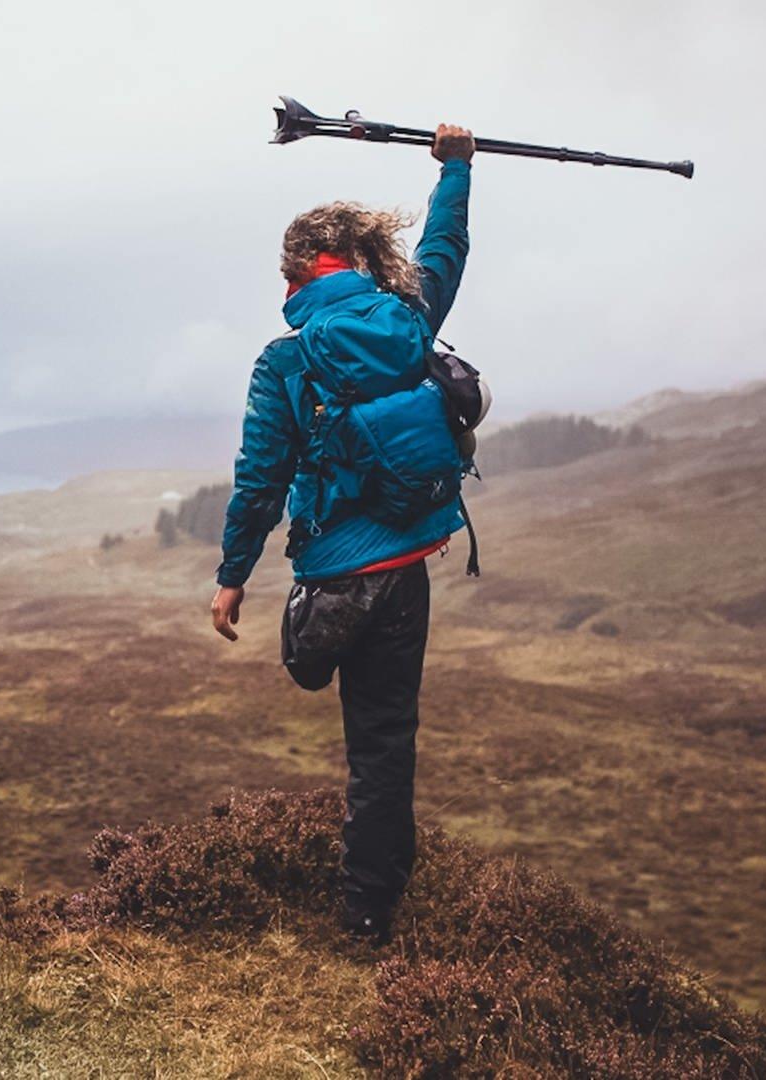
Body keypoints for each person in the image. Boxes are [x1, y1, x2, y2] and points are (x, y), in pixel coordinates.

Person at [209, 123, 475, 942]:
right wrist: (455, 169)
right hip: (410, 564)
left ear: (300, 270)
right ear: (355, 263)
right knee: (385, 741)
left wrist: (232, 573)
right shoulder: (409, 317)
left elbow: (259, 479)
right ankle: (371, 910)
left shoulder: (283, 362)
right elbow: (445, 246)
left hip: (337, 574)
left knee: (306, 665)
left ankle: (365, 903)